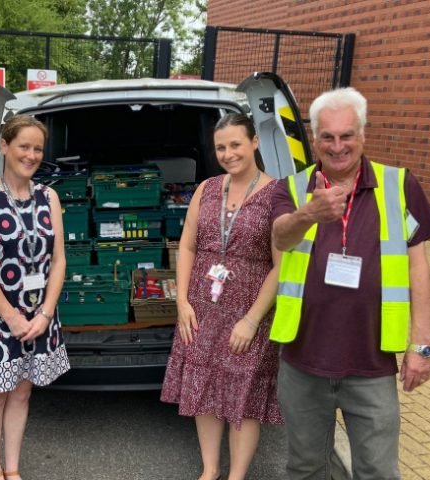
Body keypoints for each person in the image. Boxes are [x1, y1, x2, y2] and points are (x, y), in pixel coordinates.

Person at [270, 87, 430, 479]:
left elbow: (419, 269)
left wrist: (422, 345)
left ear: (363, 134)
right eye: (327, 137)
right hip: (303, 360)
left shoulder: (399, 185)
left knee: (378, 470)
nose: (337, 146)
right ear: (314, 141)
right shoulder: (293, 188)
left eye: (347, 135)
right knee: (305, 467)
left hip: (372, 363)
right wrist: (308, 213)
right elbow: (281, 237)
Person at [161, 112, 284, 480]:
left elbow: (281, 267)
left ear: (254, 143)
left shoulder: (278, 194)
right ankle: (210, 470)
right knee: (203, 386)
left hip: (249, 312)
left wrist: (252, 319)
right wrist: (182, 302)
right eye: (221, 147)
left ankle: (237, 475)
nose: (228, 153)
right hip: (201, 306)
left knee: (243, 395)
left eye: (236, 144)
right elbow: (187, 247)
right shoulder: (208, 188)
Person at [0, 114, 70, 480]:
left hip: (39, 316)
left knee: (22, 394)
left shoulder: (49, 196)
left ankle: (13, 468)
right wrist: (11, 316)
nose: (31, 154)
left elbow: (58, 260)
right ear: (4, 146)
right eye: (24, 146)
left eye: (38, 148)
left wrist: (45, 312)